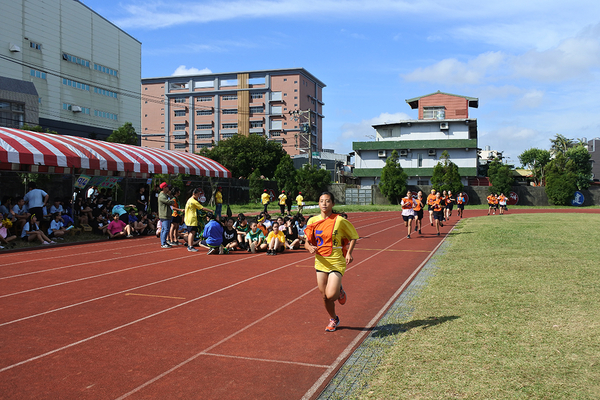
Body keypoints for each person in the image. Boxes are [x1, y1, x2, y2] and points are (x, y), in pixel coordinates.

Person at [304, 192, 358, 332]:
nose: (324, 203)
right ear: (318, 203)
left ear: (333, 204)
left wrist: (350, 253)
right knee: (324, 297)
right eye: (321, 201)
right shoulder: (312, 221)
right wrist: (309, 247)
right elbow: (307, 241)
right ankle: (334, 319)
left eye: (327, 201)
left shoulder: (339, 220)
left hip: (336, 261)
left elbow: (353, 236)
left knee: (331, 295)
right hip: (321, 262)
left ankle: (339, 290)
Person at [184, 187, 212, 252]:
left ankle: (190, 245)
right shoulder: (193, 201)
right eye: (198, 195)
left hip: (189, 219)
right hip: (192, 219)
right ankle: (190, 246)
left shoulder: (189, 200)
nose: (199, 196)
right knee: (192, 233)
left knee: (191, 233)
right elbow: (202, 208)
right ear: (194, 194)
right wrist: (210, 210)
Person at [158, 182, 175, 249]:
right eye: (167, 187)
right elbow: (168, 202)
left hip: (166, 214)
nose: (168, 188)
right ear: (164, 188)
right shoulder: (162, 196)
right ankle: (163, 243)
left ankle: (164, 242)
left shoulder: (165, 195)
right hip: (164, 214)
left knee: (164, 229)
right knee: (166, 229)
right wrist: (172, 201)